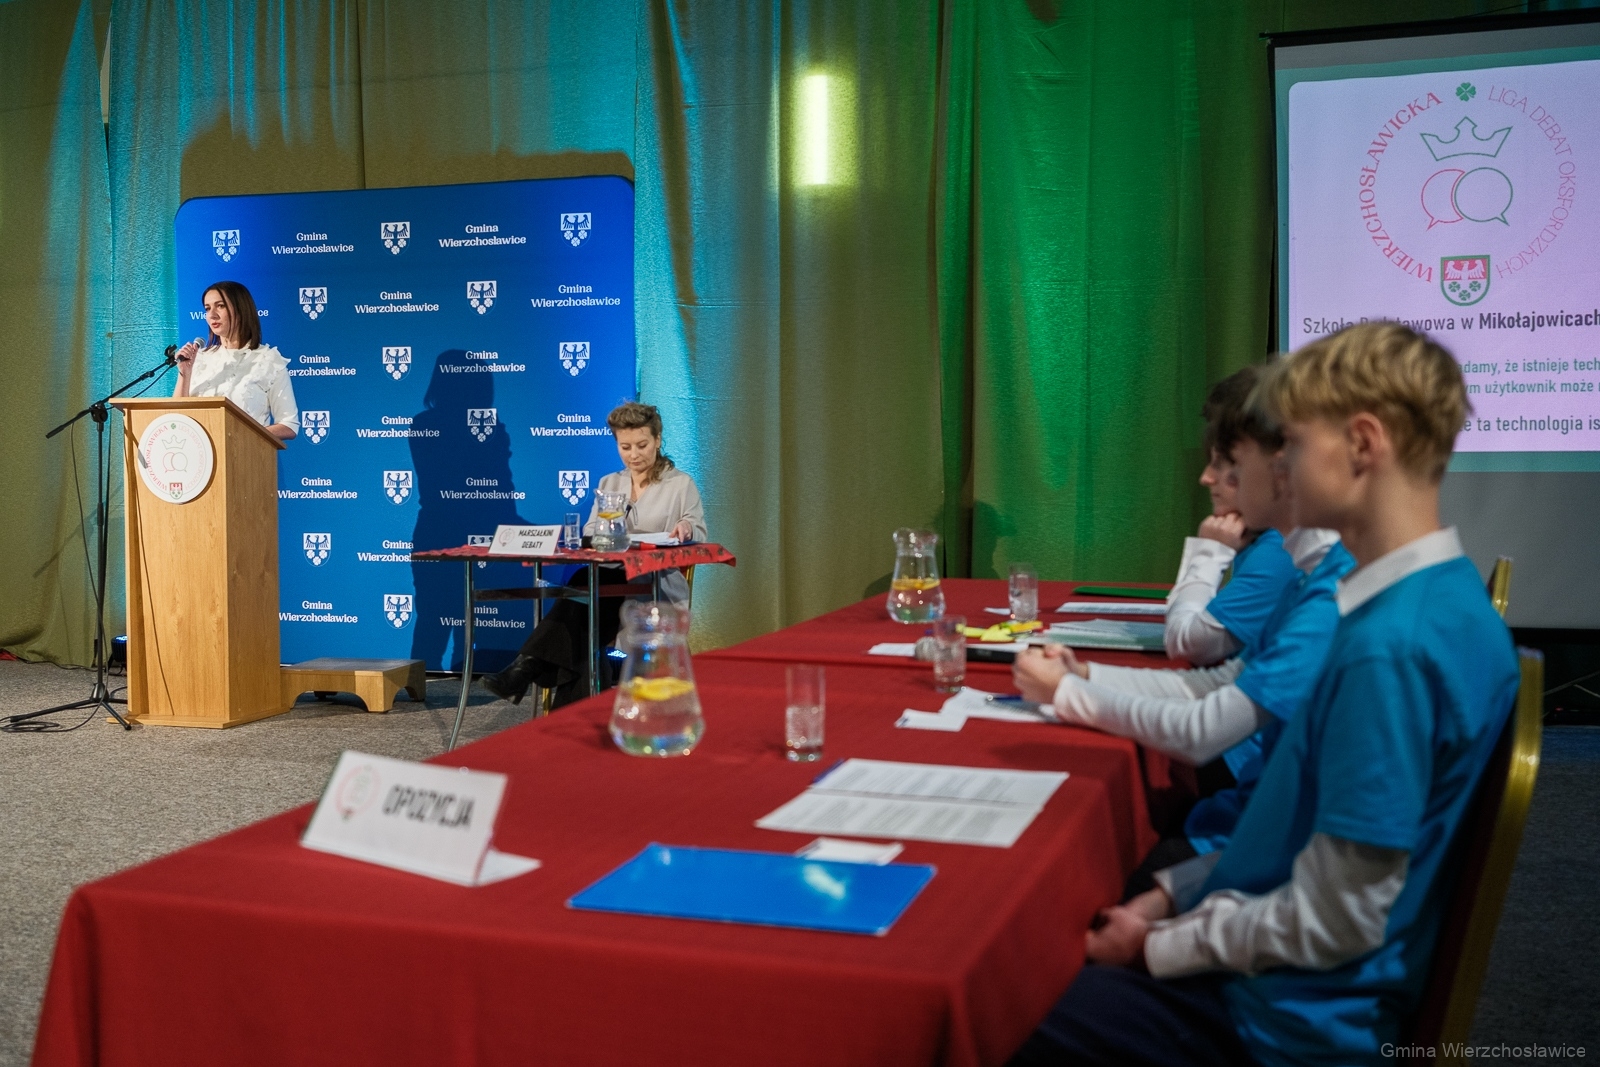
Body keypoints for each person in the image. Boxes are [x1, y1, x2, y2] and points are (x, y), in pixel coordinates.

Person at [1008, 322, 1519, 1067]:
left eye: (1295, 444)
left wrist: (1157, 945)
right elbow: (1299, 837)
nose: (1280, 465)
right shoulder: (1434, 601)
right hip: (1286, 978)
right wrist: (1174, 893)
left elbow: (1337, 916)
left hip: (1285, 1021)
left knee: (1007, 1013)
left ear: (1363, 445)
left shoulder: (1390, 648)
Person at [1013, 395, 1354, 893]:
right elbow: (1221, 680)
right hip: (1251, 820)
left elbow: (1199, 705)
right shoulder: (1310, 572)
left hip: (1254, 832)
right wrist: (1086, 675)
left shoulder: (1328, 587)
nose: (1209, 477)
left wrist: (1065, 693)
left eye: (1231, 462)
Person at [483, 401, 706, 706]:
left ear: (658, 440)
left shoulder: (680, 484)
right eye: (625, 447)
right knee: (585, 596)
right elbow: (590, 531)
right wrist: (607, 532)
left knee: (583, 598)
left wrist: (686, 527)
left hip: (653, 583)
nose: (634, 454)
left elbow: (697, 530)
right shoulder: (609, 482)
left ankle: (525, 668)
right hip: (608, 577)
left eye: (642, 445)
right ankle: (540, 680)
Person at [1165, 367, 1300, 666]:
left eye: (1229, 462)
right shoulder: (1264, 538)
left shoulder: (1281, 548)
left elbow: (1188, 645)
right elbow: (1235, 677)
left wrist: (1209, 554)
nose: (1206, 478)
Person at [173, 281, 299, 440]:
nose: (212, 315)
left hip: (246, 452)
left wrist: (242, 435)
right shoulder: (198, 359)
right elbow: (177, 418)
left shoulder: (268, 360)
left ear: (241, 310)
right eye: (207, 308)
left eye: (220, 306)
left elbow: (289, 425)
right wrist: (184, 373)